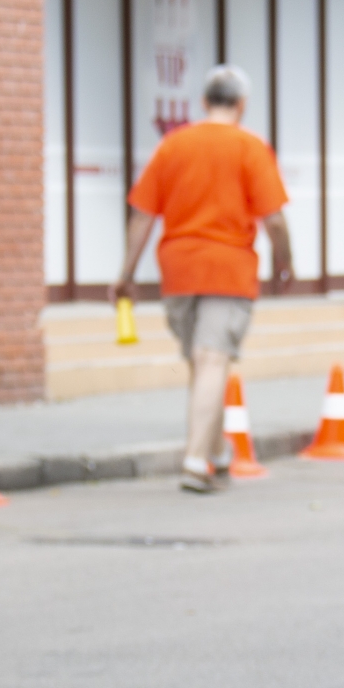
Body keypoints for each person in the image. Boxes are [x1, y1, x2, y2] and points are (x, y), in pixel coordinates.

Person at [115, 65, 296, 493]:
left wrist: (125, 275)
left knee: (202, 361)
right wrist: (285, 264)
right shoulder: (250, 148)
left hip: (178, 269)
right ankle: (196, 460)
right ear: (242, 104)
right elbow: (275, 221)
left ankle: (214, 453)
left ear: (204, 101)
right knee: (213, 359)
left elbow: (142, 217)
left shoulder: (173, 146)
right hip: (228, 268)